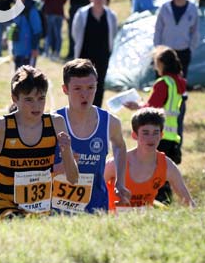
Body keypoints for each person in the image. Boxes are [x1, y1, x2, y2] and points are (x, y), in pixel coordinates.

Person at [0, 66, 78, 219]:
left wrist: (66, 150)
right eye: (29, 99)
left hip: (41, 208)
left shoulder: (56, 123)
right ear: (14, 98)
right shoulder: (1, 126)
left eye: (41, 98)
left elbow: (73, 178)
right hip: (7, 208)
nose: (36, 106)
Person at [52, 59, 130, 215]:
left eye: (90, 88)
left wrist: (120, 182)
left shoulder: (110, 122)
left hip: (96, 208)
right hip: (57, 211)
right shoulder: (53, 121)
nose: (85, 95)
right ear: (65, 89)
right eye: (77, 89)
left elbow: (120, 146)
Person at [123, 47, 186, 203]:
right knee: (165, 172)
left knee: (156, 173)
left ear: (162, 63)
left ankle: (159, 202)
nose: (155, 67)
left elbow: (152, 109)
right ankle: (166, 201)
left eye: (156, 63)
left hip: (157, 135)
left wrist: (138, 106)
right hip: (172, 135)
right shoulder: (178, 83)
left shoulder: (163, 83)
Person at [105, 108, 194, 211]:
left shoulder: (167, 166)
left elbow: (189, 203)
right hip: (112, 219)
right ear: (134, 135)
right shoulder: (116, 163)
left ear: (161, 135)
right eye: (145, 133)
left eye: (155, 133)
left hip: (146, 220)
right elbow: (93, 192)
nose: (151, 138)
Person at [71, 0, 117, 107]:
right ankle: (80, 106)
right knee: (82, 82)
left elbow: (114, 34)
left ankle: (96, 108)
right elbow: (75, 32)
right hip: (84, 55)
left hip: (103, 56)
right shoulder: (82, 14)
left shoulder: (111, 15)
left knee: (99, 83)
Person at [153, 0, 199, 78]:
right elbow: (158, 29)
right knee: (162, 79)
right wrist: (157, 47)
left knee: (179, 79)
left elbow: (195, 31)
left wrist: (191, 48)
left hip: (183, 49)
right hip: (165, 50)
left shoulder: (192, 9)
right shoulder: (165, 7)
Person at [8, 0, 44, 69]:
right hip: (17, 51)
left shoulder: (31, 10)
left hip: (29, 52)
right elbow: (13, 27)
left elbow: (37, 31)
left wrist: (34, 48)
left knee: (29, 75)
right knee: (17, 74)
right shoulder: (15, 10)